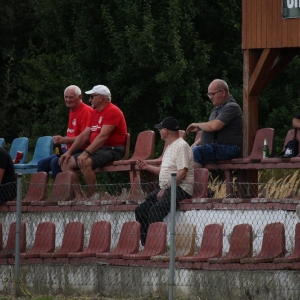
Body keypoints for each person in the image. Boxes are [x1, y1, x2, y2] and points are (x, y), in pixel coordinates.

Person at [59, 85, 127, 199]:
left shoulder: (112, 111)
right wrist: (69, 152)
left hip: (113, 149)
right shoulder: (95, 113)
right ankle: (79, 196)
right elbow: (84, 136)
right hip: (100, 149)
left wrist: (85, 153)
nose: (90, 99)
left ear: (100, 97)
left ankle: (91, 196)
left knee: (85, 162)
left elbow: (103, 136)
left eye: (92, 96)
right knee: (65, 163)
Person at [135, 116, 194, 246]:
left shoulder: (181, 146)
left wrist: (165, 188)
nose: (159, 131)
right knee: (141, 210)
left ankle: (156, 246)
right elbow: (163, 170)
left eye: (160, 129)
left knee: (155, 211)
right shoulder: (169, 147)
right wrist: (147, 167)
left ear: (166, 131)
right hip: (168, 188)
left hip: (181, 189)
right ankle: (146, 245)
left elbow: (182, 173)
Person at [37, 85, 93, 179]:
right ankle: (39, 193)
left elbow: (85, 138)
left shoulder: (86, 111)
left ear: (80, 97)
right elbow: (74, 134)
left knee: (56, 162)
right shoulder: (72, 109)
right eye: (66, 97)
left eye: (71, 97)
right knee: (41, 163)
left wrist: (64, 140)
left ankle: (64, 193)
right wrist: (63, 143)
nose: (68, 100)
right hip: (70, 149)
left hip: (83, 149)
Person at [186, 79, 243, 167]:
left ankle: (193, 180)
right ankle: (186, 179)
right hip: (217, 147)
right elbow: (210, 130)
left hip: (229, 148)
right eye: (209, 94)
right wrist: (196, 143)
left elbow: (215, 126)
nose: (210, 97)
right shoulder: (217, 109)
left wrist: (198, 125)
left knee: (196, 152)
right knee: (187, 152)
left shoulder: (232, 107)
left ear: (222, 92)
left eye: (212, 94)